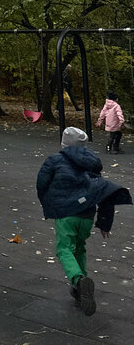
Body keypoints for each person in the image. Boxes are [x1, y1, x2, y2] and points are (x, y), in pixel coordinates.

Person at [36, 126, 131, 316]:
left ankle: (78, 279)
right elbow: (102, 191)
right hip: (87, 215)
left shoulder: (55, 160)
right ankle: (79, 287)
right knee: (79, 247)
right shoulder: (92, 162)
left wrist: (49, 202)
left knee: (64, 249)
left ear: (63, 143)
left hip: (66, 214)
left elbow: (42, 183)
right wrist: (104, 222)